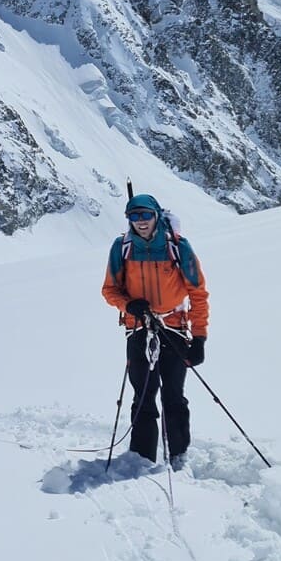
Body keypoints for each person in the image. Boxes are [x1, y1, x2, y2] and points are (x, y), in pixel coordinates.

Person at [100, 193, 209, 466]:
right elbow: (109, 290)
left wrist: (199, 337)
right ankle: (142, 457)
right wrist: (128, 304)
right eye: (133, 216)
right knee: (144, 395)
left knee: (174, 395)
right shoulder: (122, 248)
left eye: (145, 215)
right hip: (139, 328)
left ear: (156, 215)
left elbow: (198, 292)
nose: (140, 221)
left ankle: (178, 455)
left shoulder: (178, 247)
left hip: (173, 327)